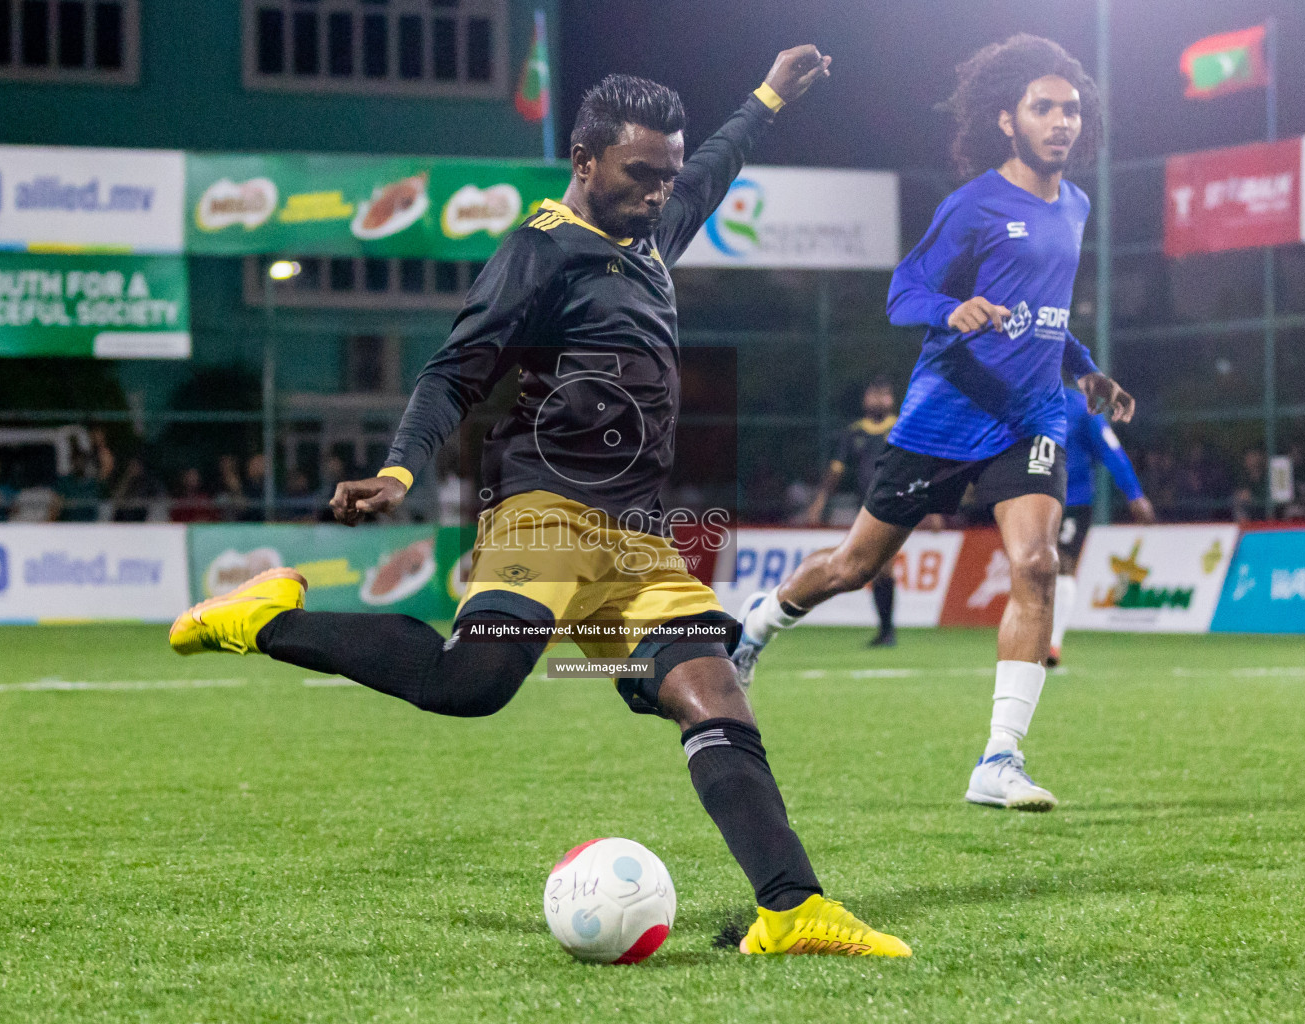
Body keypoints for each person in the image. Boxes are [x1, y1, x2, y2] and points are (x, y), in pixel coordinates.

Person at [171, 51, 911, 959]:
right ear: (585, 158)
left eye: (665, 178)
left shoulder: (651, 233)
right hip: (545, 513)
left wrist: (762, 97)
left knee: (714, 695)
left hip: (634, 536)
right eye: (640, 176)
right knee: (471, 684)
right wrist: (401, 470)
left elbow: (711, 171)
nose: (656, 194)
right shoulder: (540, 250)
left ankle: (793, 909)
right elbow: (454, 370)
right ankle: (266, 619)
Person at [733, 35, 1136, 814]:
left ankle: (999, 758)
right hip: (944, 420)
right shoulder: (976, 204)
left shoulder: (1077, 206)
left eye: (1072, 110)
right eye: (1044, 108)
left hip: (1030, 418)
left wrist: (1083, 367)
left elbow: (1042, 319)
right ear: (1006, 119)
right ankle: (759, 622)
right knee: (853, 567)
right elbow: (904, 291)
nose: (1061, 122)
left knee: (1037, 564)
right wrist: (951, 307)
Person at [1048, 385, 1155, 667]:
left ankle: (1052, 644)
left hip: (1073, 499)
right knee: (1033, 568)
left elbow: (1111, 450)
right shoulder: (1020, 403)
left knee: (1063, 564)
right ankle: (1033, 634)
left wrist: (1134, 494)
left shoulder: (1081, 407)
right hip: (1032, 499)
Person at [803, 377, 900, 647]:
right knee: (870, 567)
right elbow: (836, 470)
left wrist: (933, 509)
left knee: (883, 565)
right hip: (864, 508)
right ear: (865, 399)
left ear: (892, 399)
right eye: (874, 394)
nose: (879, 399)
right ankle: (885, 630)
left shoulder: (903, 427)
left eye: (884, 394)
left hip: (895, 502)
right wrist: (820, 501)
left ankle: (887, 631)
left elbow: (923, 466)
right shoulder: (854, 432)